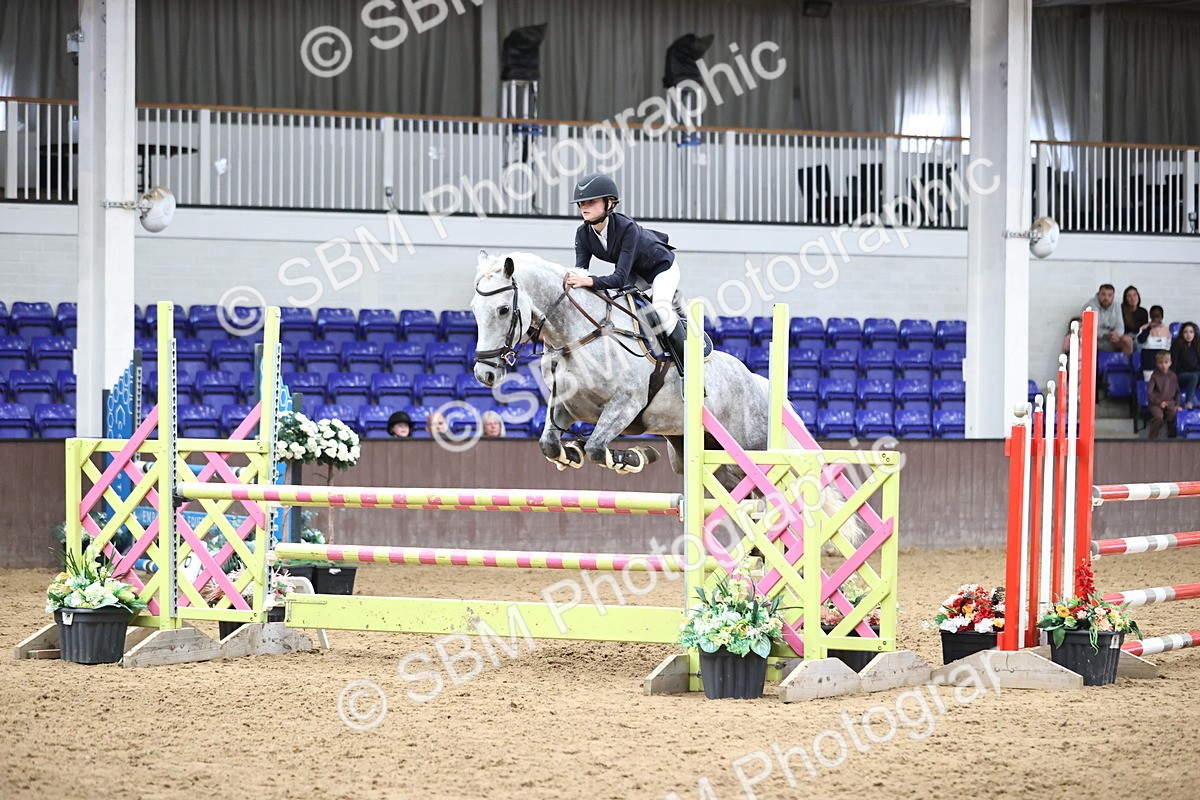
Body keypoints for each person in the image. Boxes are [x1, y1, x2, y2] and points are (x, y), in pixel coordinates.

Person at [563, 172, 687, 373]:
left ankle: (689, 368)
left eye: (590, 201)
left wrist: (588, 280)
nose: (583, 207)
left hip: (661, 268)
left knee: (661, 309)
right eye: (581, 203)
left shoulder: (626, 228)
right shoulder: (582, 234)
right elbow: (580, 273)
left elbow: (618, 278)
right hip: (634, 273)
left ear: (609, 203)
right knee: (618, 307)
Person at [1081, 283, 1133, 355]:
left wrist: (1116, 334)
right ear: (1098, 294)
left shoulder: (1117, 306)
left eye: (1109, 295)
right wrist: (1106, 335)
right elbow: (1088, 329)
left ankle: (1125, 365)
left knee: (1128, 340)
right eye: (1103, 294)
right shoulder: (1090, 306)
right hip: (1095, 340)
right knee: (1088, 340)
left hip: (1111, 339)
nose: (1106, 298)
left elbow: (1120, 326)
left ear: (1113, 297)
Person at [1146, 351, 1180, 439]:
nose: (1163, 365)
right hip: (1156, 403)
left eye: (1166, 362)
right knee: (1158, 417)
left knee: (1174, 415)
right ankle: (1152, 438)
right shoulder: (1154, 376)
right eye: (1160, 363)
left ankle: (1172, 438)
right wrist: (1158, 402)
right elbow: (1149, 393)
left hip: (1170, 402)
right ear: (1157, 364)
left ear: (1170, 363)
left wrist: (1177, 405)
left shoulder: (1173, 376)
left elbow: (1177, 392)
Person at [1135, 305, 1172, 380]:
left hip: (1162, 360)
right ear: (1150, 316)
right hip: (1149, 360)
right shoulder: (1144, 328)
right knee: (1149, 381)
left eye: (1158, 316)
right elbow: (1140, 340)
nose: (1155, 319)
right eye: (1153, 316)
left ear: (1162, 317)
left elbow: (1168, 347)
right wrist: (1148, 328)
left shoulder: (1166, 330)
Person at [1171, 321, 1200, 409]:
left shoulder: (1197, 345)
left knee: (1196, 375)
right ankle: (1188, 402)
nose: (1188, 335)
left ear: (1194, 333)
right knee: (1194, 376)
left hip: (1196, 373)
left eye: (1191, 332)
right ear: (1182, 333)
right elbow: (1174, 363)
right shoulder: (1176, 344)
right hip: (1181, 375)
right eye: (1185, 332)